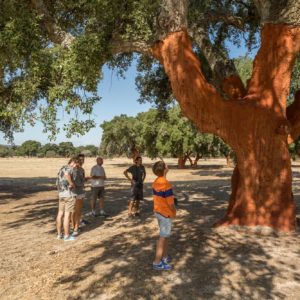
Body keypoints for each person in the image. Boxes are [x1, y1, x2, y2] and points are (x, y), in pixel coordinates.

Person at [152, 161, 176, 270]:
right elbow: (171, 203)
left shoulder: (157, 181)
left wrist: (164, 174)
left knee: (165, 236)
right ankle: (157, 262)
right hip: (166, 214)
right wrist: (174, 212)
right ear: (164, 169)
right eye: (166, 165)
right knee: (162, 237)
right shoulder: (166, 184)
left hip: (158, 213)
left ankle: (164, 257)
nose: (168, 166)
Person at [56, 157, 80, 241]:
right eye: (76, 165)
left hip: (61, 194)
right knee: (67, 215)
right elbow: (67, 174)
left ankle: (59, 234)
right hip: (69, 195)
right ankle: (67, 236)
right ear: (73, 162)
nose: (76, 167)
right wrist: (71, 183)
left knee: (60, 214)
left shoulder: (62, 168)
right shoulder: (69, 168)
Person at [71, 154, 86, 236]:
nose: (82, 161)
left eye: (83, 159)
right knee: (74, 211)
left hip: (80, 192)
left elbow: (82, 181)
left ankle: (75, 227)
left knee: (77, 211)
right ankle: (74, 228)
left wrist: (86, 180)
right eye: (80, 159)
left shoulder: (82, 169)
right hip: (74, 192)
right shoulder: (73, 169)